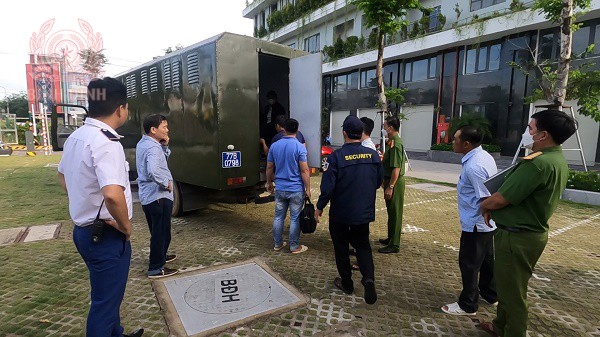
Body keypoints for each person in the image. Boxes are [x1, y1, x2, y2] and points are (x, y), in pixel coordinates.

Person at [479, 110, 577, 337]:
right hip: (523, 234)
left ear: (543, 135)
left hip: (518, 237)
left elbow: (502, 198)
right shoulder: (556, 159)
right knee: (506, 286)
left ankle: (514, 332)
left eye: (530, 129)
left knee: (513, 293)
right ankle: (500, 326)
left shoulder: (537, 164)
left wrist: (485, 206)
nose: (527, 133)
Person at [57, 77, 143, 337]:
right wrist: (126, 226)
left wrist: (84, 199)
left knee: (108, 295)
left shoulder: (76, 137)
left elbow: (62, 176)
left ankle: (116, 333)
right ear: (121, 109)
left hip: (85, 232)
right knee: (105, 305)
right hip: (106, 235)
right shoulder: (107, 142)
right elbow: (113, 195)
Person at [315, 115, 383, 305]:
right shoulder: (373, 155)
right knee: (363, 246)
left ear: (344, 133)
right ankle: (368, 278)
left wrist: (319, 207)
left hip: (341, 214)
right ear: (361, 134)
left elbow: (327, 188)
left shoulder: (335, 157)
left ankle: (347, 284)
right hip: (363, 212)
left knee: (341, 248)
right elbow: (378, 181)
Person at [441, 126, 498, 316]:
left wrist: (483, 217)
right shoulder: (482, 156)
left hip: (476, 223)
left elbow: (485, 198)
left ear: (466, 144)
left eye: (455, 139)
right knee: (487, 261)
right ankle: (490, 294)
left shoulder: (474, 166)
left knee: (469, 264)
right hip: (484, 224)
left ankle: (468, 304)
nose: (452, 142)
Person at [136, 114, 178, 279]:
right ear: (153, 130)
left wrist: (164, 147)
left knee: (159, 231)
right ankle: (155, 268)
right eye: (164, 127)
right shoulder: (152, 148)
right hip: (157, 196)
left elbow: (159, 162)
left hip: (149, 196)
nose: (167, 130)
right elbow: (153, 170)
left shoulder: (145, 143)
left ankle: (161, 256)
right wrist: (165, 183)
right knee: (161, 232)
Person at [266, 118, 311, 254]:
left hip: (280, 187)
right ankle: (294, 246)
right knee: (295, 218)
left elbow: (269, 167)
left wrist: (269, 182)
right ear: (297, 130)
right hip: (296, 188)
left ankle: (277, 244)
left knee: (278, 216)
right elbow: (304, 170)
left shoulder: (274, 146)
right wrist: (307, 189)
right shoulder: (299, 147)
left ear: (283, 129)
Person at [378, 115, 406, 254]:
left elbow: (396, 168)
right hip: (389, 180)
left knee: (395, 213)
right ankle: (391, 238)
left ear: (391, 127)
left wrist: (391, 186)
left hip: (395, 182)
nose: (383, 127)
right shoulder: (391, 141)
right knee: (391, 211)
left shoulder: (396, 143)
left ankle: (394, 244)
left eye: (385, 125)